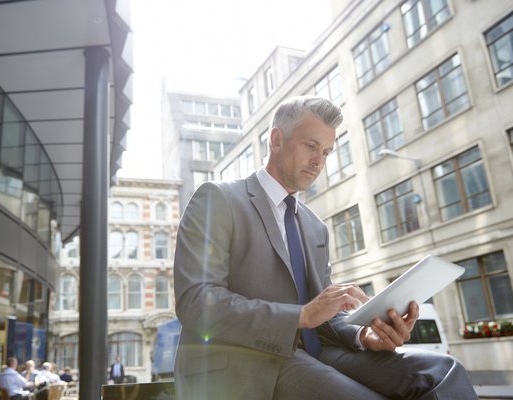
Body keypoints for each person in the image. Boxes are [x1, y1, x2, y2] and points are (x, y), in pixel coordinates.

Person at [173, 95, 478, 399]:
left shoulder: (314, 225)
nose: (319, 160)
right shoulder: (218, 199)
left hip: (321, 353)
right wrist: (300, 316)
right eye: (310, 146)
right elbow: (196, 301)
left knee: (443, 372)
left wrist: (364, 335)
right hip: (251, 360)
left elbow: (324, 317)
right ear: (277, 139)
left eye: (327, 151)